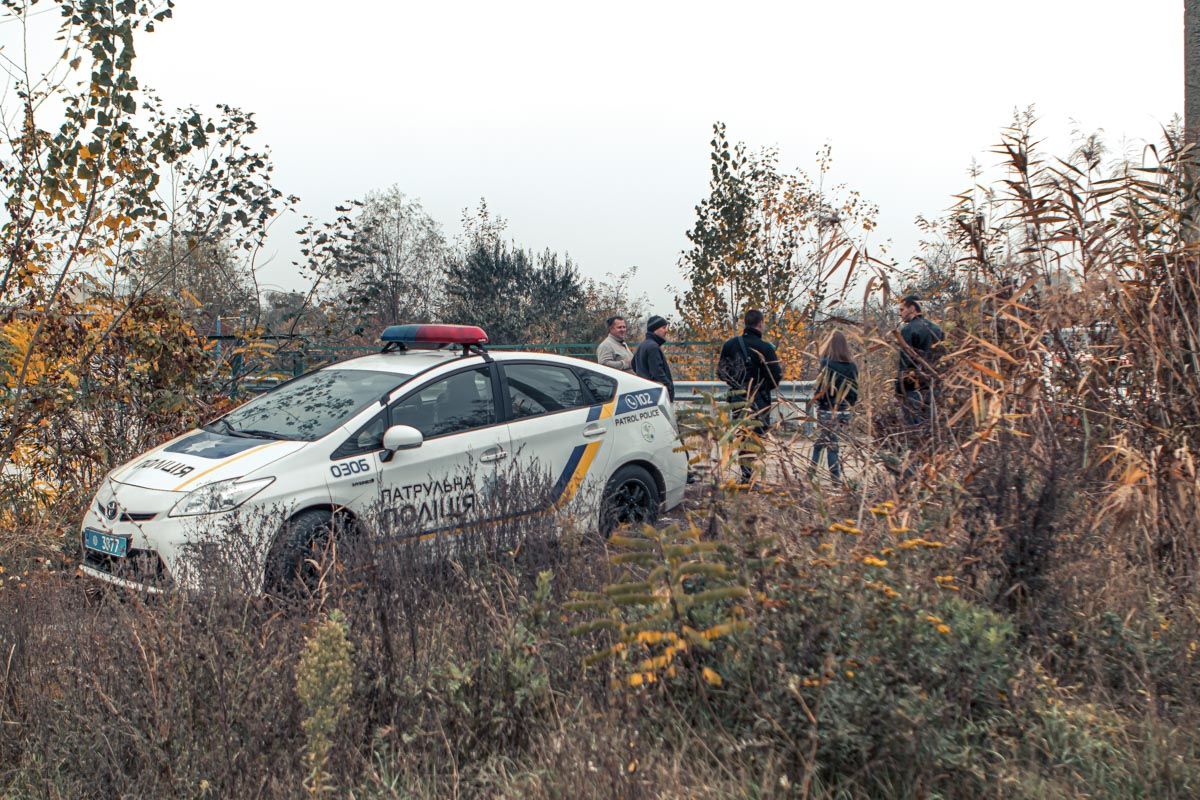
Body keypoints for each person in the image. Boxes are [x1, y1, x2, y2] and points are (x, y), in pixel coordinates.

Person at [718, 309, 783, 482]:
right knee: (756, 437)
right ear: (760, 323)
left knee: (742, 436)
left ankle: (746, 474)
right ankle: (752, 475)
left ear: (745, 323)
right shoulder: (766, 348)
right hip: (759, 400)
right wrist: (762, 388)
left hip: (738, 400)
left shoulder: (730, 345)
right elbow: (776, 375)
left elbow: (721, 372)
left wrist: (737, 384)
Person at [811, 331, 858, 480]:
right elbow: (853, 393)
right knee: (822, 442)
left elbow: (820, 390)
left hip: (828, 409)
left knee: (831, 445)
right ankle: (810, 473)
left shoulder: (825, 363)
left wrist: (818, 401)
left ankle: (835, 480)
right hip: (843, 411)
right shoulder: (852, 366)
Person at [895, 295, 944, 426]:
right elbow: (943, 356)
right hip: (933, 384)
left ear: (912, 308)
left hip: (913, 386)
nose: (900, 314)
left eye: (901, 310)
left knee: (913, 427)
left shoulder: (907, 330)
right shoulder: (937, 329)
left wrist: (899, 388)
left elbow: (905, 361)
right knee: (930, 426)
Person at [632, 315, 675, 400]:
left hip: (644, 393)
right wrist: (669, 387)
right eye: (663, 328)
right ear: (655, 329)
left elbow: (633, 364)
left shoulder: (642, 345)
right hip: (656, 395)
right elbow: (657, 372)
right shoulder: (653, 347)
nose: (666, 331)